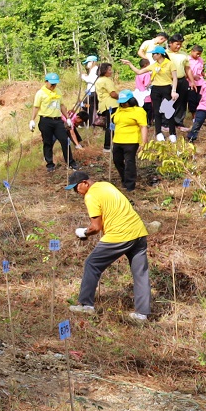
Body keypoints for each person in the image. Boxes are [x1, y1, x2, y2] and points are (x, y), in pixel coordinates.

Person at [65, 170, 152, 323]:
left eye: (76, 187)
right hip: (138, 231)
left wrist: (83, 232)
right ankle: (142, 314)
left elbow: (96, 227)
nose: (75, 192)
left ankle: (86, 306)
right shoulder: (106, 185)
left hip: (119, 234)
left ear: (85, 183)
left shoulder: (91, 195)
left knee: (92, 264)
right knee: (140, 273)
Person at [29, 72, 75, 170]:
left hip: (58, 121)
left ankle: (70, 162)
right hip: (46, 121)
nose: (53, 86)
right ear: (46, 82)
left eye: (55, 84)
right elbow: (36, 107)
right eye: (51, 84)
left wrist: (67, 118)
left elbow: (62, 105)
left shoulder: (58, 91)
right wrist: (32, 120)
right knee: (48, 142)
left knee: (64, 140)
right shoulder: (40, 93)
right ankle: (50, 164)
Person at [109, 90, 146, 191]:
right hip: (117, 140)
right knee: (117, 161)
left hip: (131, 141)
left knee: (129, 162)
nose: (123, 104)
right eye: (122, 102)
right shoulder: (119, 110)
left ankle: (130, 185)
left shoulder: (138, 111)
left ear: (131, 100)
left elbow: (143, 127)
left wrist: (143, 142)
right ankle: (124, 178)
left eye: (125, 101)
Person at [143, 45, 178, 140]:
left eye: (155, 54)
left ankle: (172, 133)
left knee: (168, 111)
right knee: (157, 111)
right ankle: (158, 133)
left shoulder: (170, 64)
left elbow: (174, 78)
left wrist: (173, 90)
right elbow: (139, 71)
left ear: (160, 54)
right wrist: (129, 64)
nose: (153, 56)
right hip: (155, 89)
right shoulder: (154, 65)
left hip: (167, 88)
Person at [94, 62, 118, 151]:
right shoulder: (107, 80)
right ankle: (108, 146)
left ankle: (108, 145)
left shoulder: (98, 80)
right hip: (111, 104)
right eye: (109, 70)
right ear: (104, 71)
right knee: (111, 125)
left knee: (109, 124)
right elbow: (113, 94)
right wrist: (123, 98)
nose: (111, 72)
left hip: (103, 105)